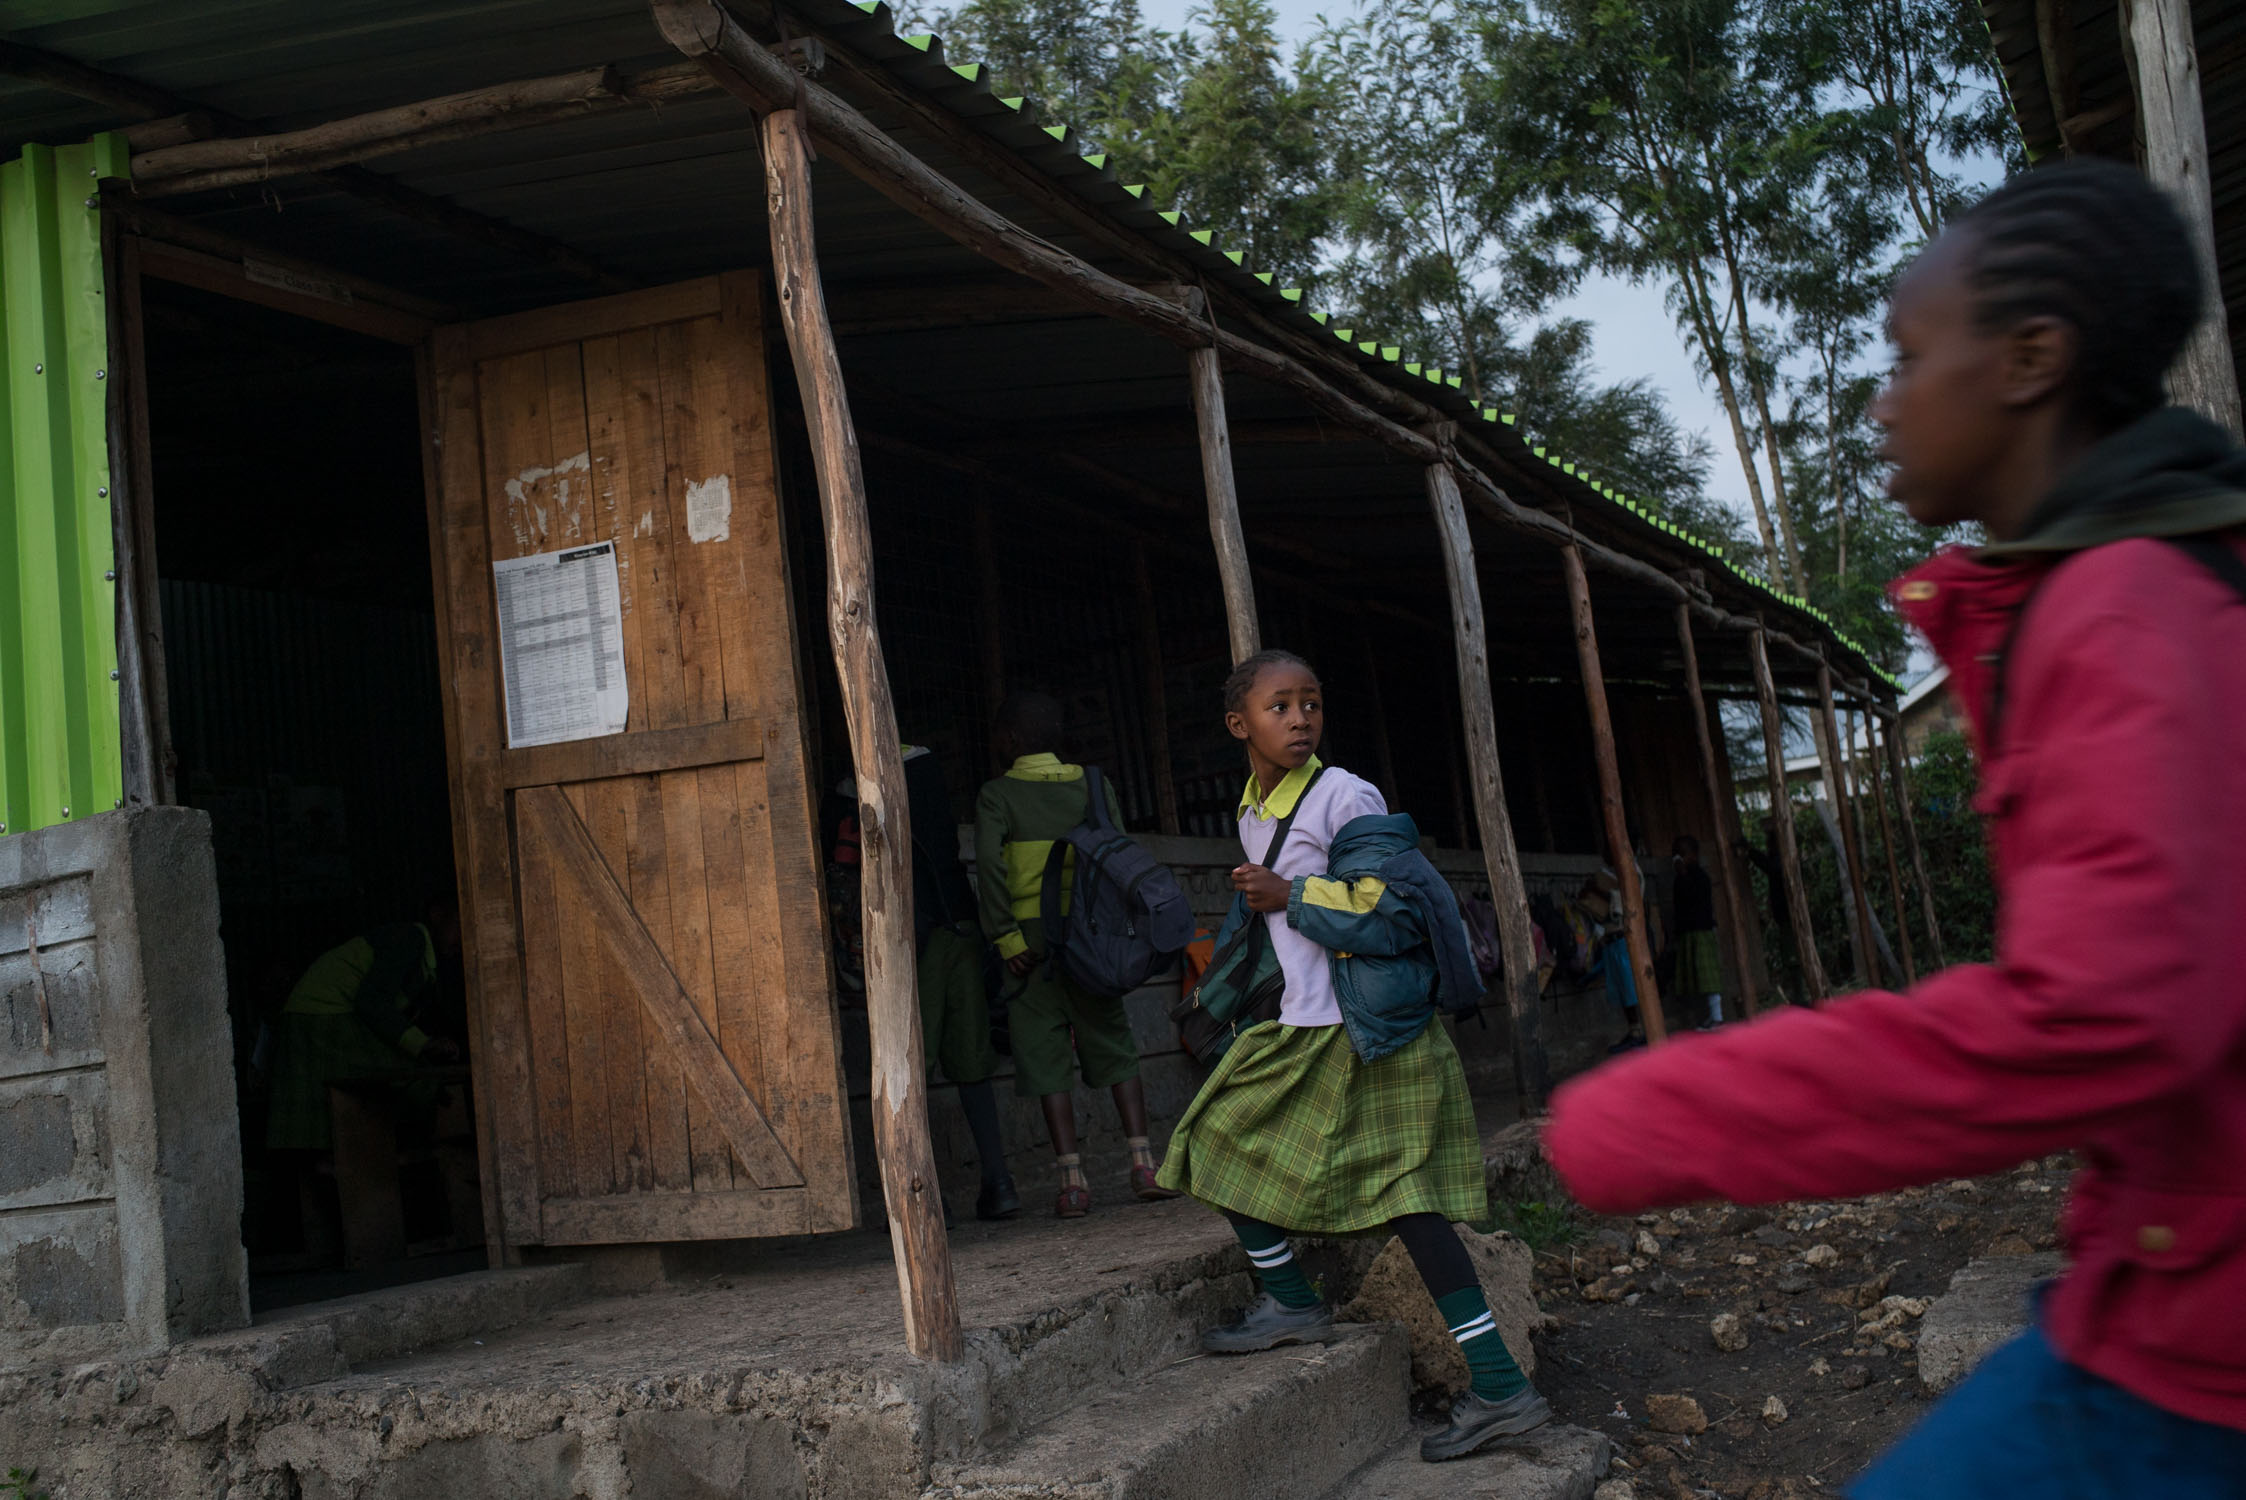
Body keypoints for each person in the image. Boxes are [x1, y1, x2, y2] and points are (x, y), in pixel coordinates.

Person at [1544, 160, 2246, 1497]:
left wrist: (1663, 1110)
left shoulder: (2127, 610)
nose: (1881, 405)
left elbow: (2096, 1018)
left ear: (2031, 359)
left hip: (2199, 1340)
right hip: (2161, 1281)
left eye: (1907, 358)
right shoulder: (2101, 594)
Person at [1158, 649, 1551, 1463]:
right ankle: (1294, 1302)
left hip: (1375, 1032)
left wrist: (1291, 895)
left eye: (1311, 704)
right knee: (1210, 1140)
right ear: (1241, 725)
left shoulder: (1346, 795)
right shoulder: (1254, 811)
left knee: (1411, 1206)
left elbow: (1396, 911)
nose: (1300, 718)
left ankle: (1502, 1388)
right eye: (1280, 706)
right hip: (1306, 1029)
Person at [975, 691, 1175, 1218]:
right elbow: (1118, 855)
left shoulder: (997, 795)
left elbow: (991, 869)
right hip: (1093, 934)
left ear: (1013, 740)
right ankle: (1143, 1163)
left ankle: (1072, 1180)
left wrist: (1007, 937)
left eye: (999, 734)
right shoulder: (1093, 784)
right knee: (1111, 1037)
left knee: (1044, 1055)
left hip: (1031, 941)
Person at [830, 745, 1023, 1222]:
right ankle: (999, 1184)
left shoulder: (852, 780)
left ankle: (924, 1199)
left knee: (906, 1066)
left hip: (909, 936)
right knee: (972, 1063)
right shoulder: (929, 765)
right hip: (960, 922)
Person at [264, 898, 463, 1154]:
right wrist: (423, 1044)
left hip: (311, 1016)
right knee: (411, 1075)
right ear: (437, 914)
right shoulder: (410, 939)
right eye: (461, 923)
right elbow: (371, 1002)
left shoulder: (427, 965)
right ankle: (404, 1153)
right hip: (321, 1018)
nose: (465, 937)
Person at [1574, 872, 1643, 1053]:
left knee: (1630, 989)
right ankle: (1633, 1030)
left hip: (1623, 941)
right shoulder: (1610, 871)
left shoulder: (1629, 870)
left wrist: (1596, 890)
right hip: (1611, 941)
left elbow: (1621, 904)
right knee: (1622, 988)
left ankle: (1638, 1033)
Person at [1669, 835, 1723, 1030]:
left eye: (1682, 854)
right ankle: (1706, 1017)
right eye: (1676, 854)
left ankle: (1717, 1017)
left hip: (1702, 931)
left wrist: (1683, 874)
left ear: (1693, 855)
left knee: (1708, 976)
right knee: (1695, 978)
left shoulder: (1700, 877)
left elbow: (1695, 898)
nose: (1679, 858)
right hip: (1687, 933)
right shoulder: (1678, 880)